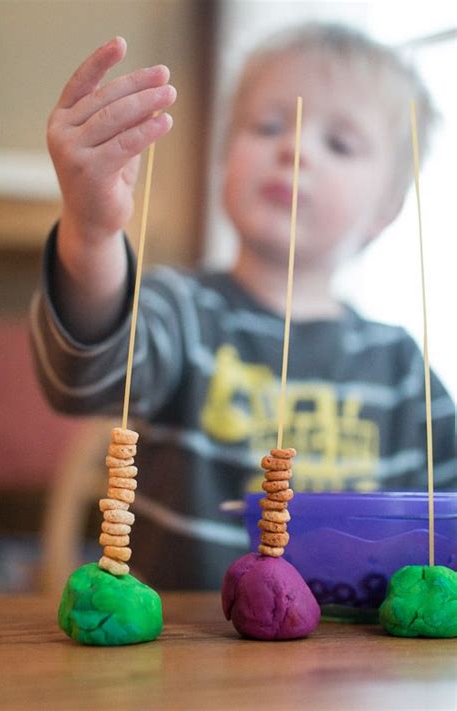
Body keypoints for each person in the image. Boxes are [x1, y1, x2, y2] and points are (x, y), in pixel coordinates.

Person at [30, 24, 456, 589]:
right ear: (224, 157)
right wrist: (91, 235)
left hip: (352, 664)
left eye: (340, 144)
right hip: (184, 656)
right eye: (268, 125)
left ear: (387, 210)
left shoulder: (400, 367)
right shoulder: (183, 311)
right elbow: (81, 377)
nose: (295, 148)